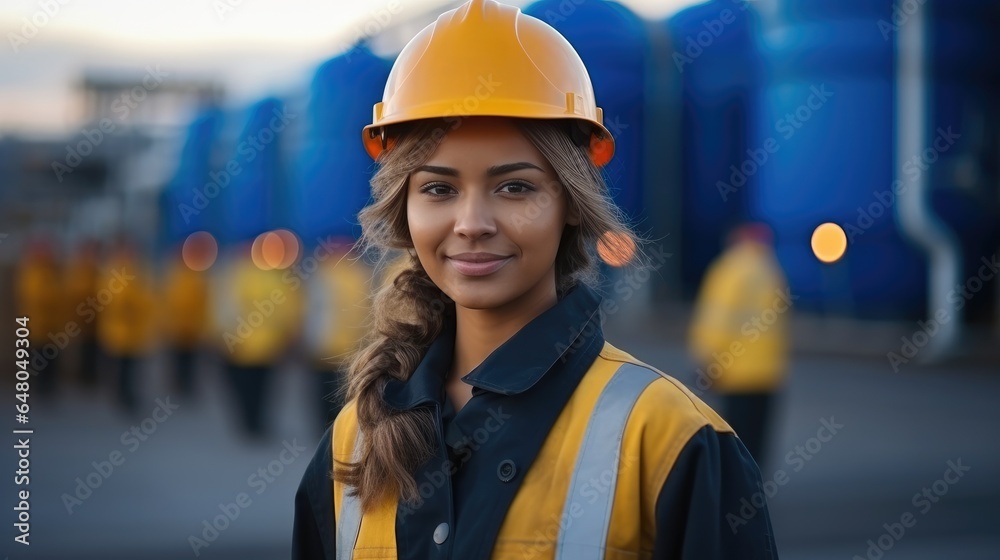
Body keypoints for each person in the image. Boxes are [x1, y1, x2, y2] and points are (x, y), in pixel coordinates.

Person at [292, 1, 778, 558]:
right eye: (438, 189)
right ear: (404, 208)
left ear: (570, 203)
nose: (472, 224)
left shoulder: (670, 439)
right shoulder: (354, 438)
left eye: (514, 187)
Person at [688, 223, 790, 464]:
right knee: (758, 442)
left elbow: (717, 319)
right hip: (768, 372)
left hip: (735, 371)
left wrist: (707, 359)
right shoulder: (772, 271)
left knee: (736, 440)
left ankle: (738, 492)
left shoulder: (729, 269)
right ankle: (756, 490)